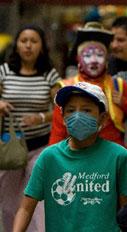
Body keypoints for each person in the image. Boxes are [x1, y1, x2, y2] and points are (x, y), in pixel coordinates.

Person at [13, 82, 127, 232]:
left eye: (87, 110)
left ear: (102, 118)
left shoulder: (118, 156)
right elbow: (25, 208)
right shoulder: (49, 157)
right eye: (70, 110)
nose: (77, 116)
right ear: (63, 118)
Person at [48, 22, 127, 154]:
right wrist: (53, 159)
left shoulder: (118, 85)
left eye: (99, 55)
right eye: (88, 55)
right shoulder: (66, 88)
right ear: (78, 59)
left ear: (106, 60)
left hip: (113, 155)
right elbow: (58, 132)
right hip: (76, 155)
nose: (94, 60)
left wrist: (124, 103)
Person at [0, 24, 61, 232]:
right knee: (8, 203)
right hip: (9, 146)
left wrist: (42, 117)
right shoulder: (4, 72)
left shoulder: (49, 75)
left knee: (36, 201)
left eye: (34, 41)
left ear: (42, 47)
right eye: (24, 41)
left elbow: (63, 108)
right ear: (16, 45)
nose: (28, 46)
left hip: (40, 146)